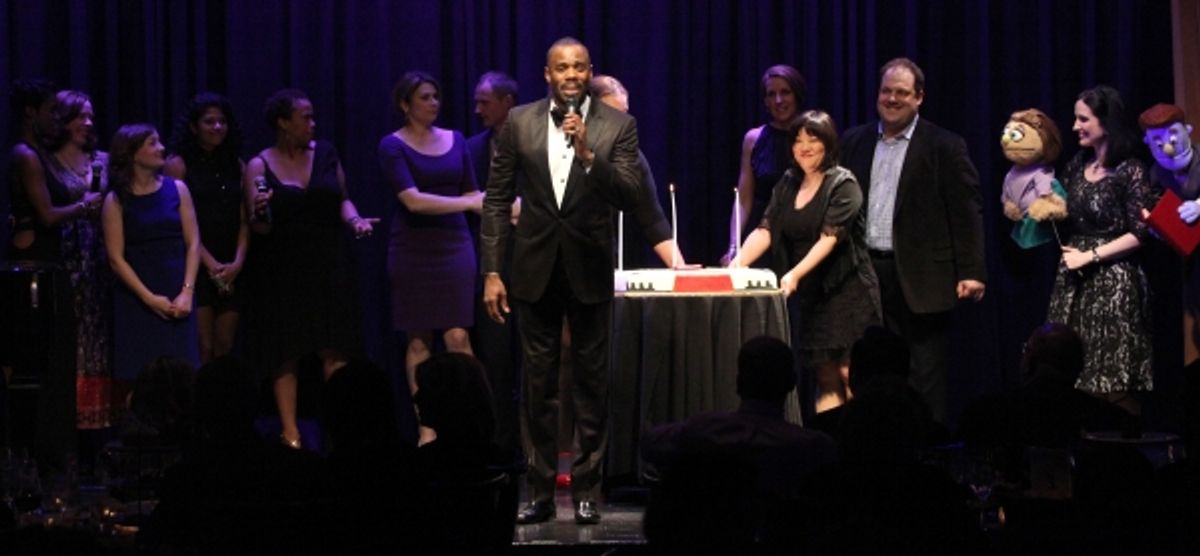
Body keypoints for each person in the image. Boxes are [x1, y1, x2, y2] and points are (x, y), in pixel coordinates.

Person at [481, 36, 645, 525]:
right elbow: (495, 199)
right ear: (546, 74)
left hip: (589, 265)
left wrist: (588, 152)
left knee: (592, 383)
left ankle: (589, 489)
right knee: (537, 385)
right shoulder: (518, 122)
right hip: (533, 267)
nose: (570, 75)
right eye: (561, 68)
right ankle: (539, 489)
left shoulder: (618, 125)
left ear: (589, 71)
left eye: (578, 67)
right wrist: (492, 269)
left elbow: (631, 194)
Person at [839, 58, 987, 423]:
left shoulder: (944, 145)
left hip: (923, 278)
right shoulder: (854, 141)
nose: (891, 99)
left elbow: (966, 213)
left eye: (901, 92)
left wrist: (973, 271)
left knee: (924, 374)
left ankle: (926, 454)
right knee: (870, 371)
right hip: (865, 274)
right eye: (886, 91)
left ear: (919, 97)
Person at [243, 88, 377, 449]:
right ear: (283, 122)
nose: (312, 124)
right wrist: (258, 209)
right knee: (285, 352)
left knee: (334, 348)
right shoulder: (259, 164)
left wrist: (356, 222)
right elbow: (260, 228)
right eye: (305, 117)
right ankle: (291, 434)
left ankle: (338, 430)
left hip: (330, 262)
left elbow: (343, 200)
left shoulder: (327, 154)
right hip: (283, 268)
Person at [730, 110, 880, 414]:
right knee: (825, 377)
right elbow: (766, 228)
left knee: (850, 375)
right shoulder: (788, 182)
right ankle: (832, 446)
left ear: (827, 143)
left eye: (812, 138)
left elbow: (829, 238)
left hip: (849, 293)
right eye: (797, 139)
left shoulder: (843, 184)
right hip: (815, 297)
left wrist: (794, 275)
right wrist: (737, 263)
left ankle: (862, 446)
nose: (804, 146)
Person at [1046, 85, 1155, 414]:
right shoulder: (1078, 164)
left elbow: (1140, 233)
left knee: (1110, 383)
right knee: (1068, 379)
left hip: (1113, 284)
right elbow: (1057, 207)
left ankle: (1129, 449)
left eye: (1083, 119)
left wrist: (1090, 256)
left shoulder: (1130, 170)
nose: (1076, 126)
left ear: (1106, 123)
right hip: (1073, 282)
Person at [378, 72, 481, 412]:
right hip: (413, 250)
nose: (434, 103)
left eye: (436, 96)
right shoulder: (392, 145)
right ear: (405, 104)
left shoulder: (457, 139)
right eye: (425, 97)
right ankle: (427, 426)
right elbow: (413, 201)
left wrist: (505, 208)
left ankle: (469, 421)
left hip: (454, 246)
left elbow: (472, 191)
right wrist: (469, 204)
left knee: (458, 336)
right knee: (419, 339)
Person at [37, 90, 114, 429]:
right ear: (63, 120)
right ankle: (65, 424)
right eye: (80, 116)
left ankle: (96, 425)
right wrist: (83, 207)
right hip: (64, 258)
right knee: (68, 339)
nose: (88, 122)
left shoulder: (102, 160)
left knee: (97, 339)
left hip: (98, 258)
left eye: (91, 116)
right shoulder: (47, 161)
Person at [102, 124, 201, 387]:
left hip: (178, 293)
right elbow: (116, 258)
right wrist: (149, 299)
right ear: (133, 153)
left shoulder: (177, 189)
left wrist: (187, 291)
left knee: (182, 375)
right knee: (141, 379)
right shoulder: (116, 200)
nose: (161, 148)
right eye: (152, 143)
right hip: (138, 296)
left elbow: (193, 243)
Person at [164, 92, 248, 363]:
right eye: (209, 122)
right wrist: (211, 265)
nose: (217, 127)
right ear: (193, 127)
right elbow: (176, 221)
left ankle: (219, 402)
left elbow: (245, 218)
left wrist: (237, 262)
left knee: (225, 345)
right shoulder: (178, 164)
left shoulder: (237, 164)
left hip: (231, 264)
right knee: (203, 346)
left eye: (222, 121)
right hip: (197, 261)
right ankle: (197, 404)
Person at [466, 70, 523, 459]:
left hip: (532, 260)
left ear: (507, 102)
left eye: (485, 102)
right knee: (496, 357)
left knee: (536, 359)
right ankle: (500, 442)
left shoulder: (537, 141)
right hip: (490, 263)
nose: (477, 109)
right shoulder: (470, 149)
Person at [590, 74, 687, 267]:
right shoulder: (561, 148)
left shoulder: (632, 158)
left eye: (624, 115)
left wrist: (679, 267)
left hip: (601, 263)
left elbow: (652, 219)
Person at [722, 64, 807, 265]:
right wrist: (734, 246)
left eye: (785, 92)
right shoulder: (754, 139)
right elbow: (743, 199)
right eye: (771, 94)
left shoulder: (812, 137)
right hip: (762, 237)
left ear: (797, 95)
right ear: (765, 101)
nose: (778, 100)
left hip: (802, 238)